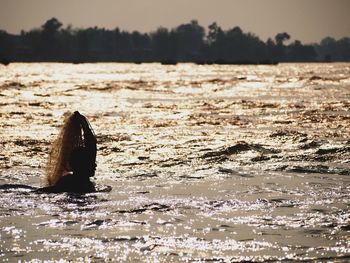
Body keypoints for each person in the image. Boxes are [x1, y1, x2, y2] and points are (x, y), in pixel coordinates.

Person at [37, 111, 97, 193]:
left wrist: (85, 126)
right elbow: (91, 148)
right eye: (91, 162)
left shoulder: (74, 182)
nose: (95, 165)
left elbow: (91, 148)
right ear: (82, 166)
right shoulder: (72, 183)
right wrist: (85, 125)